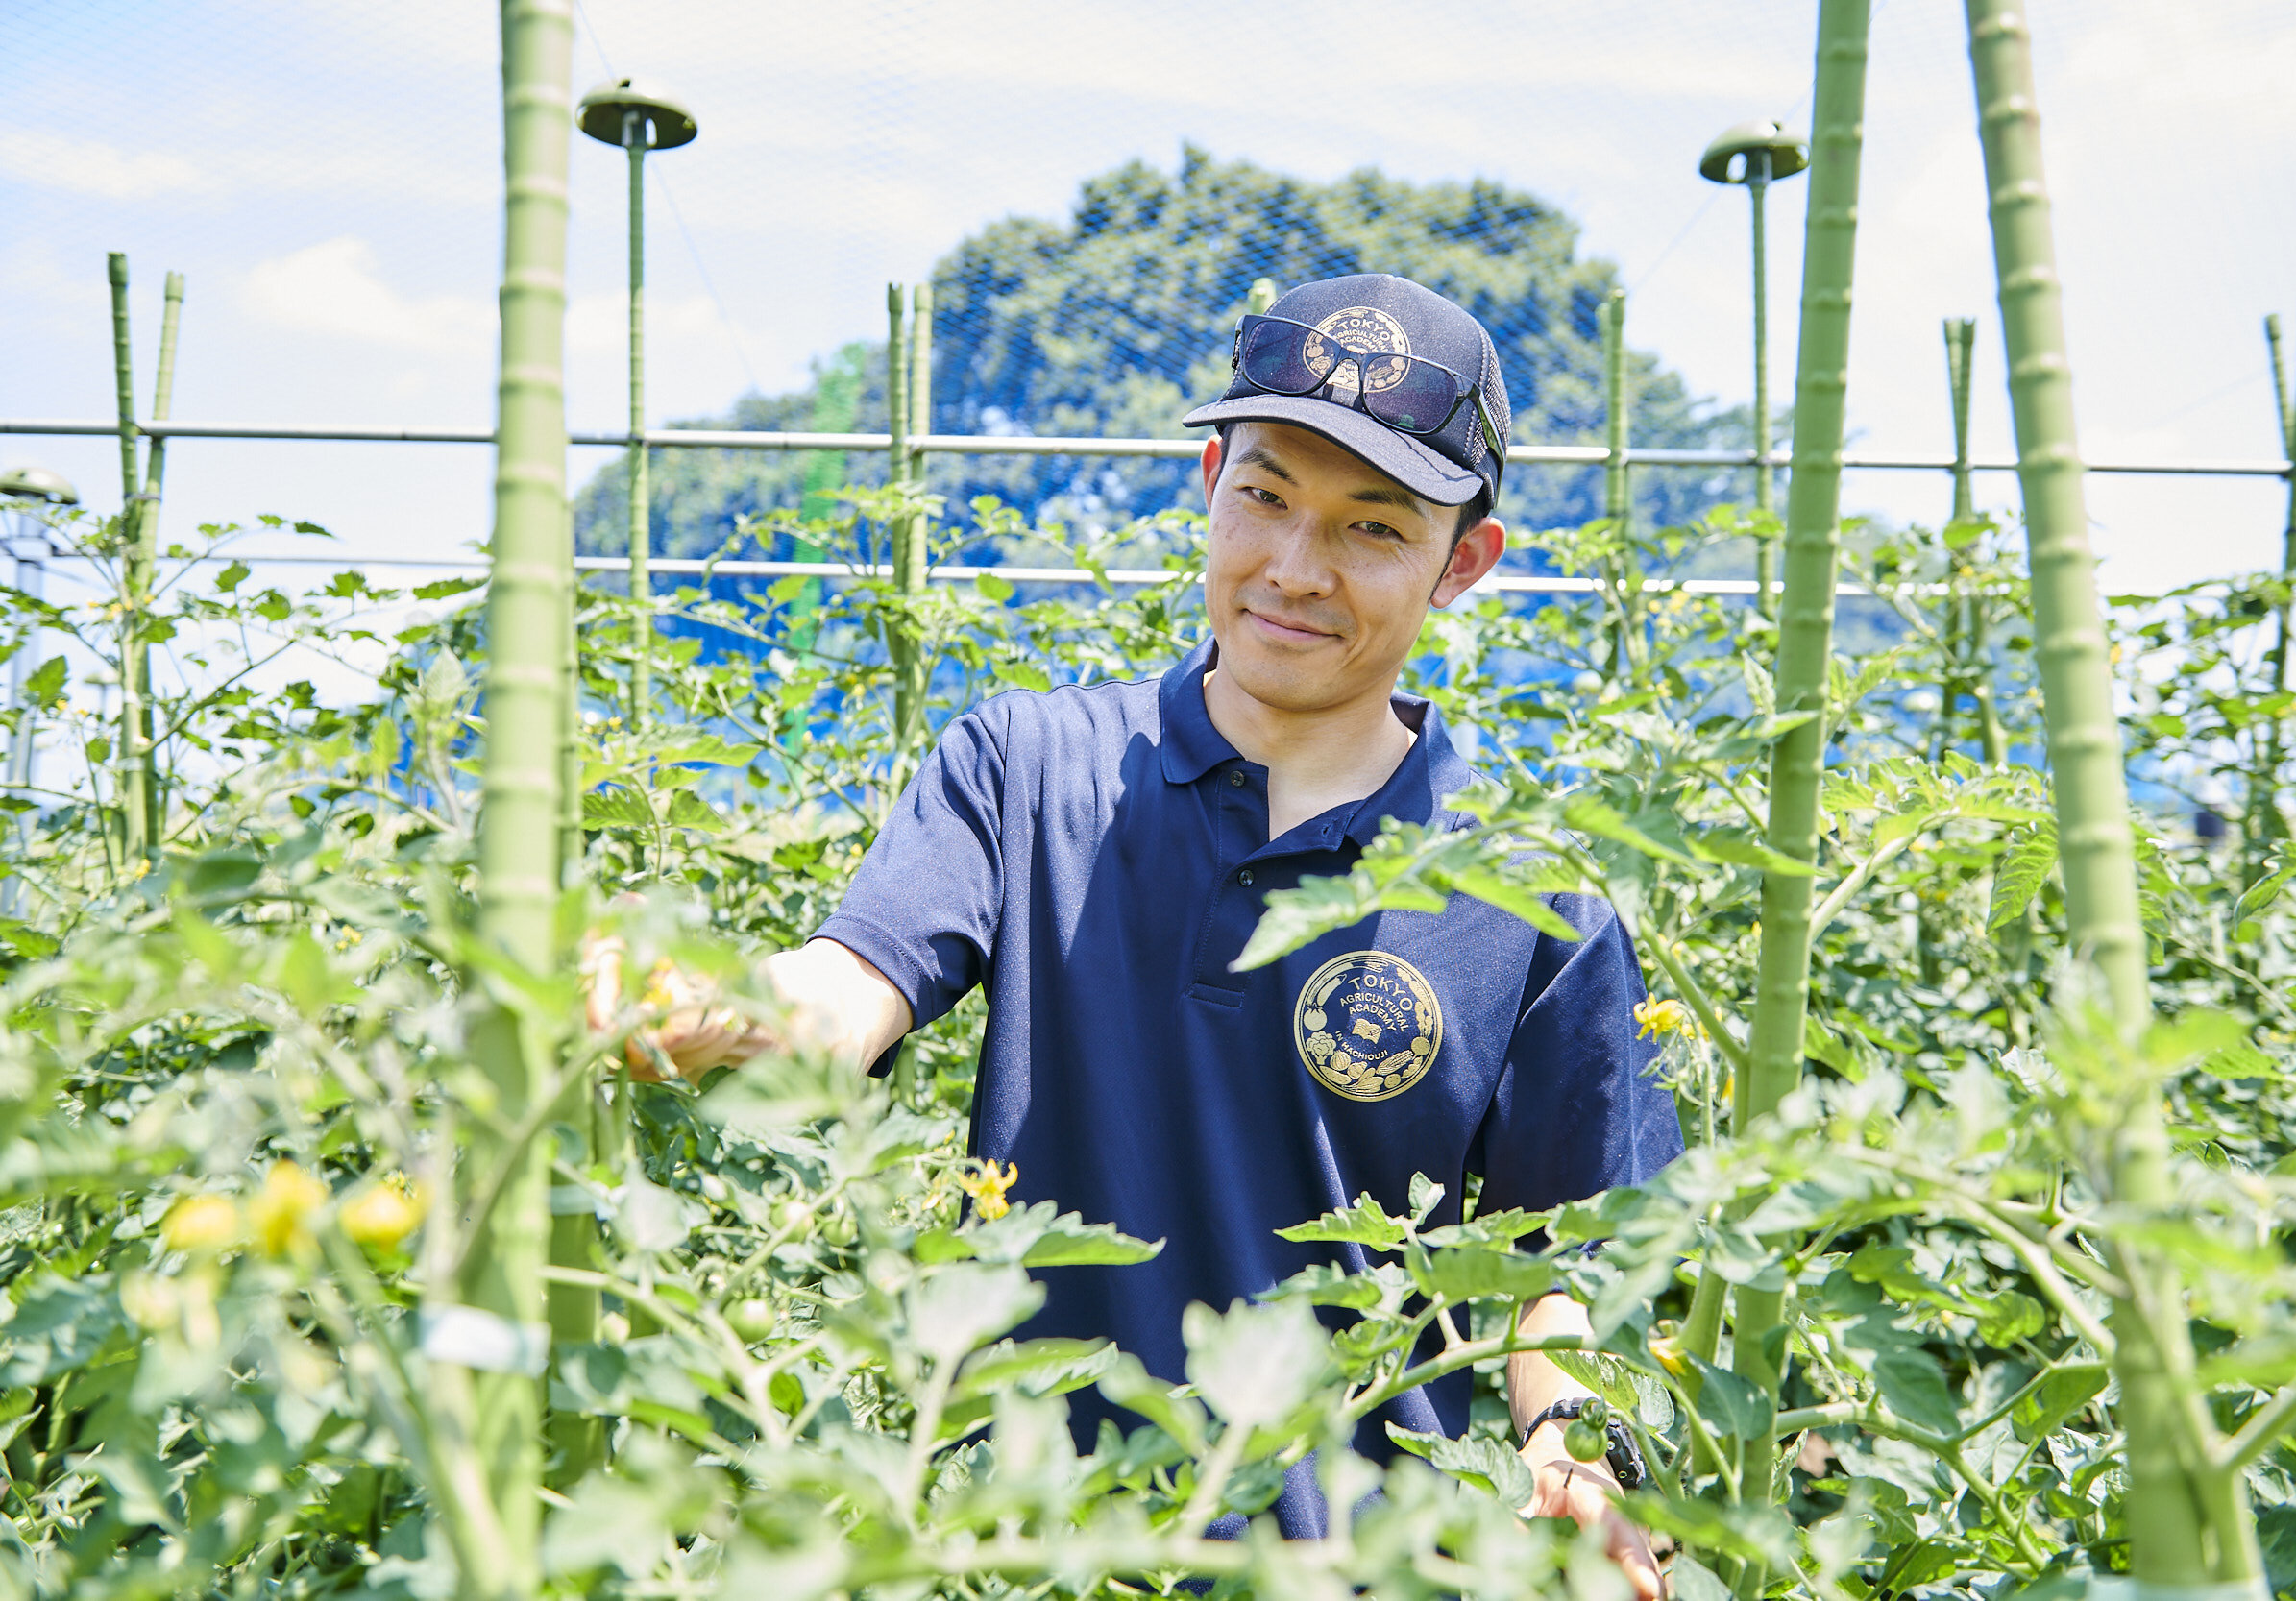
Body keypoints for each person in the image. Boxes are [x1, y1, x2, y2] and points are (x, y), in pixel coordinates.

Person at [589, 274, 1682, 1592]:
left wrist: (1574, 1453)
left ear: (1464, 565)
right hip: (1044, 1554)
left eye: (1370, 529)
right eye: (1265, 496)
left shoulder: (1535, 895)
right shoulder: (1028, 769)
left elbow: (1558, 1268)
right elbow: (843, 987)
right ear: (1208, 479)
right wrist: (708, 996)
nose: (1294, 567)